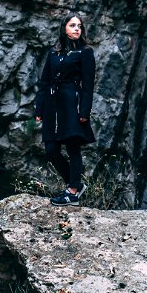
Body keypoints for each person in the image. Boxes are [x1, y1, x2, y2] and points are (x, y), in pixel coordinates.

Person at [34, 13, 96, 206]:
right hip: (53, 106)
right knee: (51, 149)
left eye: (79, 26)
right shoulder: (54, 52)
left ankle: (72, 191)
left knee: (72, 147)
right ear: (64, 28)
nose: (77, 28)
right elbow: (44, 81)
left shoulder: (85, 52)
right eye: (72, 25)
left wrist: (84, 112)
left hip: (72, 104)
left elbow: (88, 84)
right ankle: (75, 184)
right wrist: (40, 108)